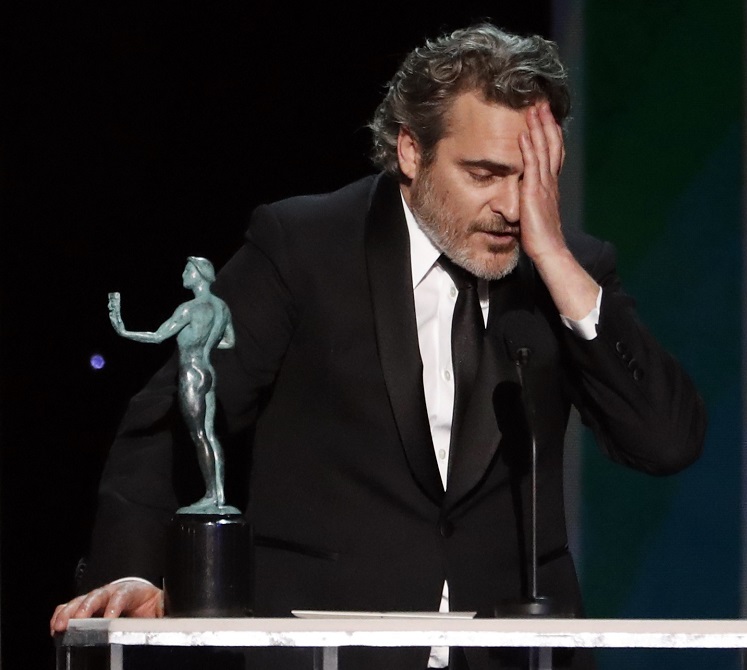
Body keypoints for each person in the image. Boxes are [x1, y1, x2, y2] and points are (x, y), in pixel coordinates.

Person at [50, 23, 707, 670]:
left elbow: (665, 440)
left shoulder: (565, 273)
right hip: (330, 649)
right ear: (412, 151)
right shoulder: (303, 245)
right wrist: (131, 571)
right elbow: (180, 415)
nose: (512, 206)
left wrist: (557, 260)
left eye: (528, 178)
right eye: (484, 174)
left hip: (514, 656)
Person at [108, 257, 239, 515]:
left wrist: (124, 332)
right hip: (208, 371)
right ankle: (219, 496)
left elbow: (158, 336)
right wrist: (205, 346)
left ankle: (211, 495)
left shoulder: (189, 309)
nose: (183, 274)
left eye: (188, 270)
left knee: (198, 435)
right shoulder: (222, 307)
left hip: (191, 371)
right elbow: (230, 341)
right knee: (209, 434)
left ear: (199, 275)